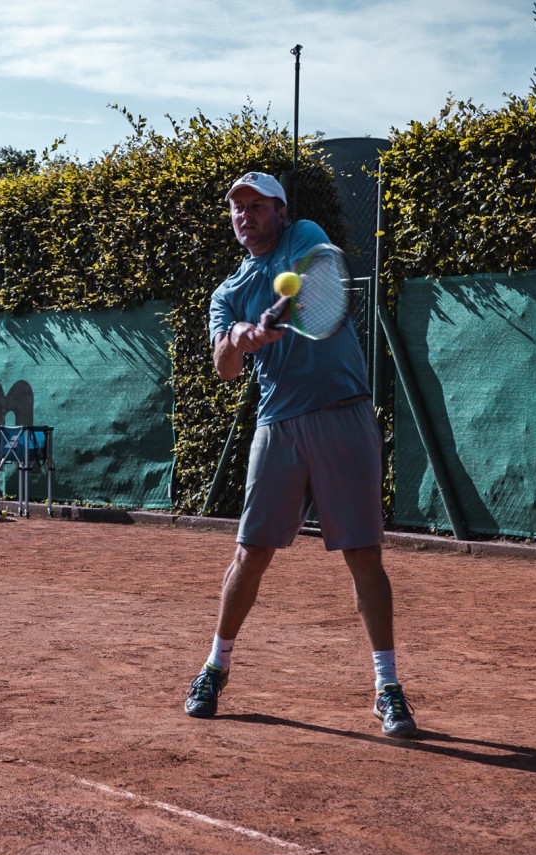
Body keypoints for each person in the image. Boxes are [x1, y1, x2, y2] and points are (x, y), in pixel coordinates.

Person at [183, 171, 418, 738]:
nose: (246, 215)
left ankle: (387, 686)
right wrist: (240, 337)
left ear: (280, 212)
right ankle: (215, 667)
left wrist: (277, 315)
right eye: (238, 208)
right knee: (250, 553)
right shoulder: (226, 292)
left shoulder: (303, 237)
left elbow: (317, 283)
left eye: (257, 206)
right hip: (278, 426)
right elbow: (223, 367)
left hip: (343, 412)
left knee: (364, 554)